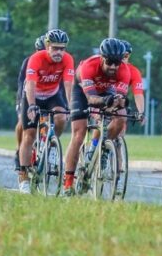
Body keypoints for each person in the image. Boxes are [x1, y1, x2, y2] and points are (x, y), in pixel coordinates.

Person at [62, 38, 132, 195]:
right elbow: (91, 100)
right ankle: (68, 182)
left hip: (106, 91)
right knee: (79, 134)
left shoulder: (124, 70)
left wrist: (119, 103)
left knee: (121, 115)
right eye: (110, 62)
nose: (114, 67)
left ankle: (104, 149)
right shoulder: (89, 67)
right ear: (102, 58)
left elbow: (120, 100)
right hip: (83, 92)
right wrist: (106, 101)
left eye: (117, 62)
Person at [17, 29, 75, 194]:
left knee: (61, 118)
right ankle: (23, 178)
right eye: (55, 48)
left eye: (62, 49)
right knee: (28, 134)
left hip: (52, 95)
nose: (59, 52)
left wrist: (70, 106)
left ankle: (51, 146)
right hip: (33, 95)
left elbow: (68, 84)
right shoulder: (36, 59)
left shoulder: (68, 59)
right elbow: (30, 84)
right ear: (47, 46)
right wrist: (32, 105)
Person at [13, 34, 48, 170]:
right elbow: (22, 83)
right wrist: (23, 102)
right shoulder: (29, 61)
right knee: (22, 122)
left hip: (46, 95)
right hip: (27, 94)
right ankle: (19, 148)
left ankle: (45, 146)